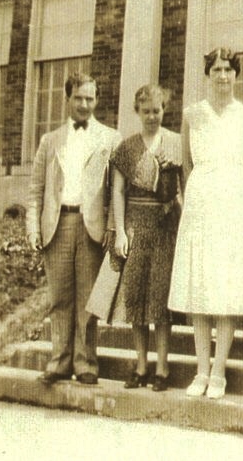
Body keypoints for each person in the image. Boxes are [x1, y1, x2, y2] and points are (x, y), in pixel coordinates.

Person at [168, 47, 243, 400]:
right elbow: (186, 164)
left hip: (234, 204)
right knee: (200, 286)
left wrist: (235, 197)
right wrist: (196, 198)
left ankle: (219, 371)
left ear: (237, 75)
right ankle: (201, 369)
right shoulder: (192, 115)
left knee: (226, 288)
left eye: (229, 70)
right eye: (217, 70)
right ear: (207, 74)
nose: (223, 76)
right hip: (201, 203)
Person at [26, 72, 121, 386]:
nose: (84, 104)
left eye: (90, 98)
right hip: (58, 223)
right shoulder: (49, 140)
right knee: (60, 297)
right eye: (78, 98)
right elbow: (36, 188)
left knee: (88, 299)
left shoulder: (110, 138)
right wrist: (33, 228)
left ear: (97, 100)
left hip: (91, 225)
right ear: (67, 99)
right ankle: (59, 361)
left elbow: (116, 190)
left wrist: (111, 227)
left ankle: (86, 363)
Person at [110, 84, 182, 392]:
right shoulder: (127, 147)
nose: (152, 116)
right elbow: (116, 190)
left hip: (166, 225)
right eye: (146, 111)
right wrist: (120, 232)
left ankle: (162, 368)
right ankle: (141, 365)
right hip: (136, 224)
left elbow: (184, 186)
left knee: (161, 299)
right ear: (137, 112)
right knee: (136, 297)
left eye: (157, 110)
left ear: (164, 111)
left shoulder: (177, 143)